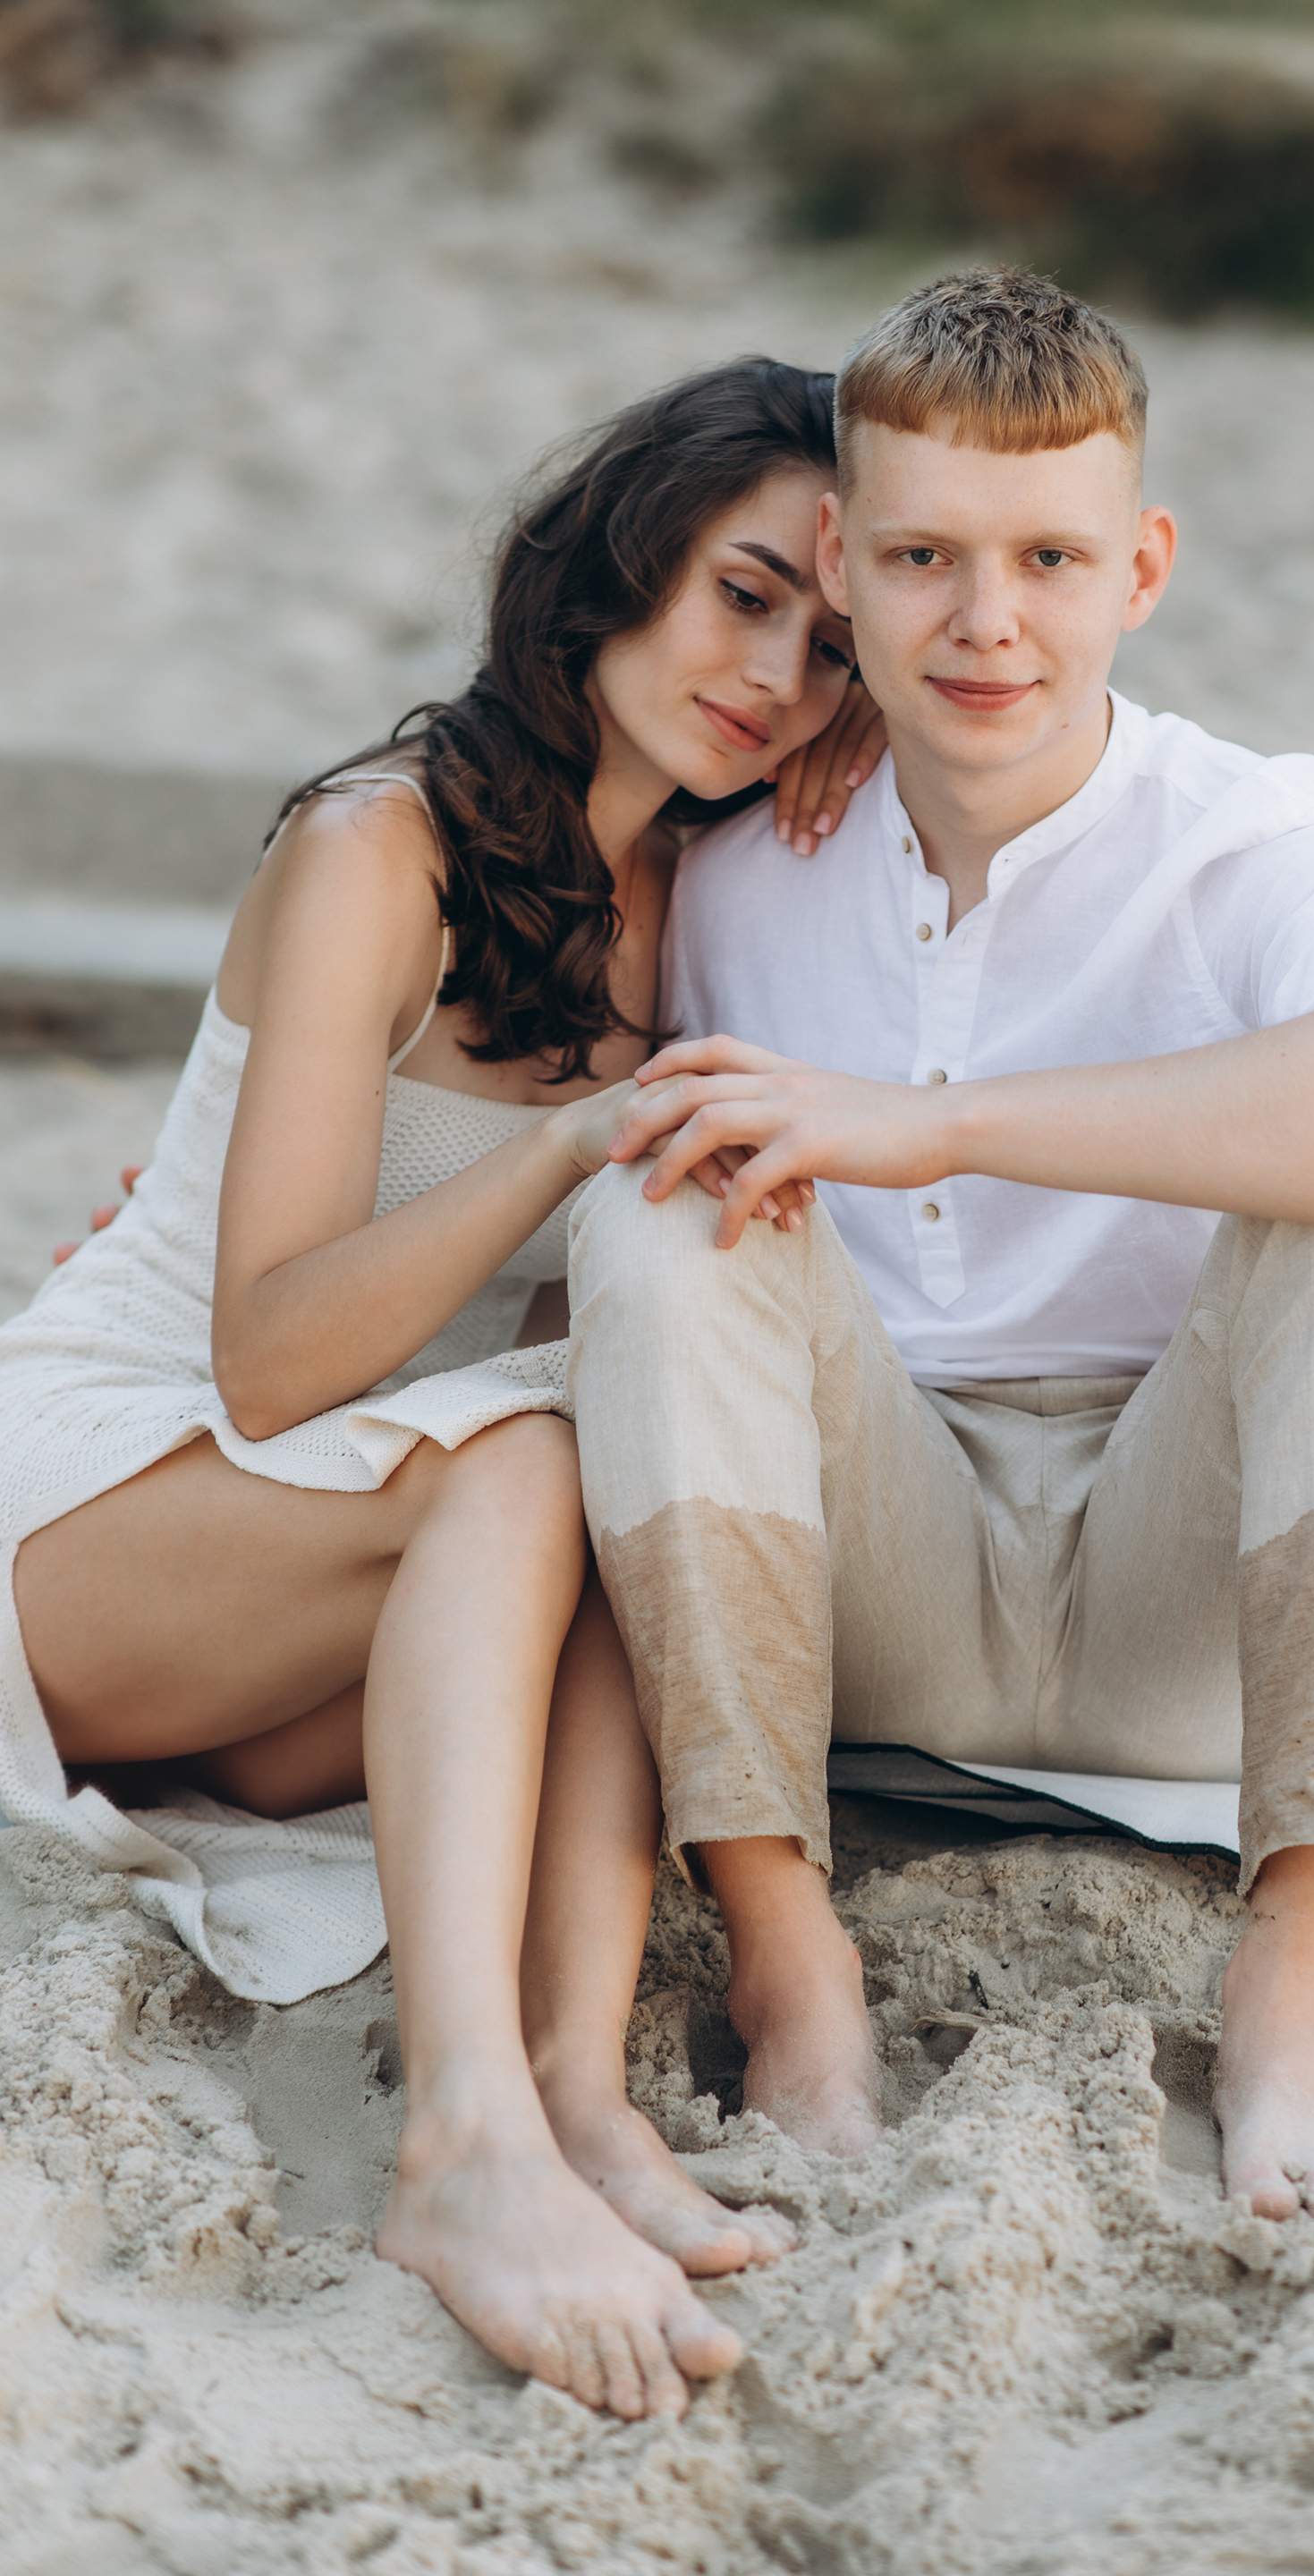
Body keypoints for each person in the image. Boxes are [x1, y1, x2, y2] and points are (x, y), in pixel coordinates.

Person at [557, 267, 1314, 2216]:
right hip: (864, 1585)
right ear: (838, 561)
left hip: (1191, 1597)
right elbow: (517, 1116)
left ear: (1141, 568)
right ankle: (788, 1960)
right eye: (922, 557)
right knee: (659, 1192)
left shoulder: (1269, 837)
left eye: (1049, 559)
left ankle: (1298, 1983)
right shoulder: (729, 873)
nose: (986, 621)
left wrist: (933, 1121)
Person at [0, 358, 884, 2418]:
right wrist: (564, 1146)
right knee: (536, 1454)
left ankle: (574, 2097)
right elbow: (267, 1358)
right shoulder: (373, 847)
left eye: (834, 652)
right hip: (104, 1501)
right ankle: (461, 2139)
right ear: (623, 559)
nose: (774, 678)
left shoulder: (698, 905)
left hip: (343, 1586)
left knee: (610, 1471)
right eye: (747, 595)